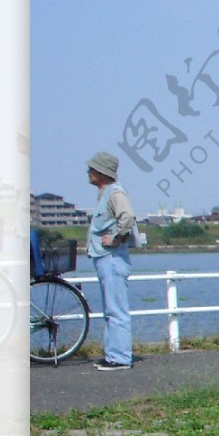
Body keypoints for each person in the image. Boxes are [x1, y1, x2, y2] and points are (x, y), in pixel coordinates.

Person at [84, 149, 136, 370]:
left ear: (103, 173)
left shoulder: (115, 192)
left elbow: (128, 217)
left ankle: (120, 358)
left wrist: (116, 238)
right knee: (111, 309)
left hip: (112, 257)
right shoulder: (106, 192)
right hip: (107, 258)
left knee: (116, 309)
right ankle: (113, 354)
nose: (88, 172)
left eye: (93, 169)